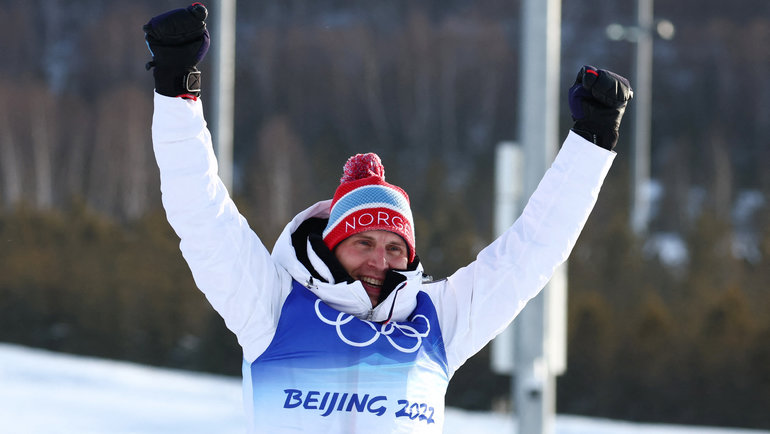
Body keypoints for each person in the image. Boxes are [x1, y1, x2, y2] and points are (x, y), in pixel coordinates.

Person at [144, 4, 632, 433]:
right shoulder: (270, 309)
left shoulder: (438, 323)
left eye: (395, 246)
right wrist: (176, 88)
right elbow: (202, 214)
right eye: (364, 243)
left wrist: (591, 142)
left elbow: (532, 251)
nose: (381, 258)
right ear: (331, 245)